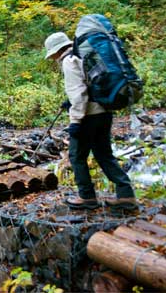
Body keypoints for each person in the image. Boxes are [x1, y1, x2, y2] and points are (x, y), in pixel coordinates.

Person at [44, 32, 137, 210]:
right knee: (104, 154)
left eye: (52, 54)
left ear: (57, 51)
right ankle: (126, 195)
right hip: (104, 111)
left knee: (76, 156)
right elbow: (89, 86)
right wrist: (70, 103)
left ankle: (87, 197)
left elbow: (78, 95)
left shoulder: (69, 61)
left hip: (88, 116)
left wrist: (75, 122)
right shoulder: (87, 55)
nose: (52, 58)